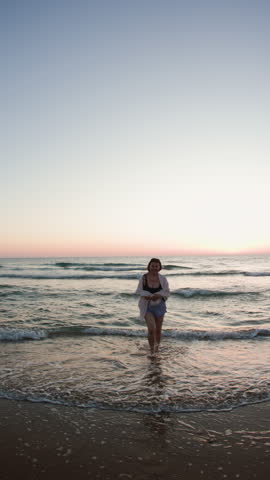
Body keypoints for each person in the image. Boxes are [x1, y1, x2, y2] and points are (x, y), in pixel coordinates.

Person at [136, 258, 170, 353]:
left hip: (160, 306)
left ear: (159, 267)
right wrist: (146, 296)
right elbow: (139, 290)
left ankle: (157, 349)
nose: (154, 268)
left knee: (158, 330)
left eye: (156, 266)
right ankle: (152, 351)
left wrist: (158, 295)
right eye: (152, 266)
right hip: (147, 306)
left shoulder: (163, 279)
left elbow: (167, 292)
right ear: (149, 266)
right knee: (151, 329)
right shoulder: (144, 278)